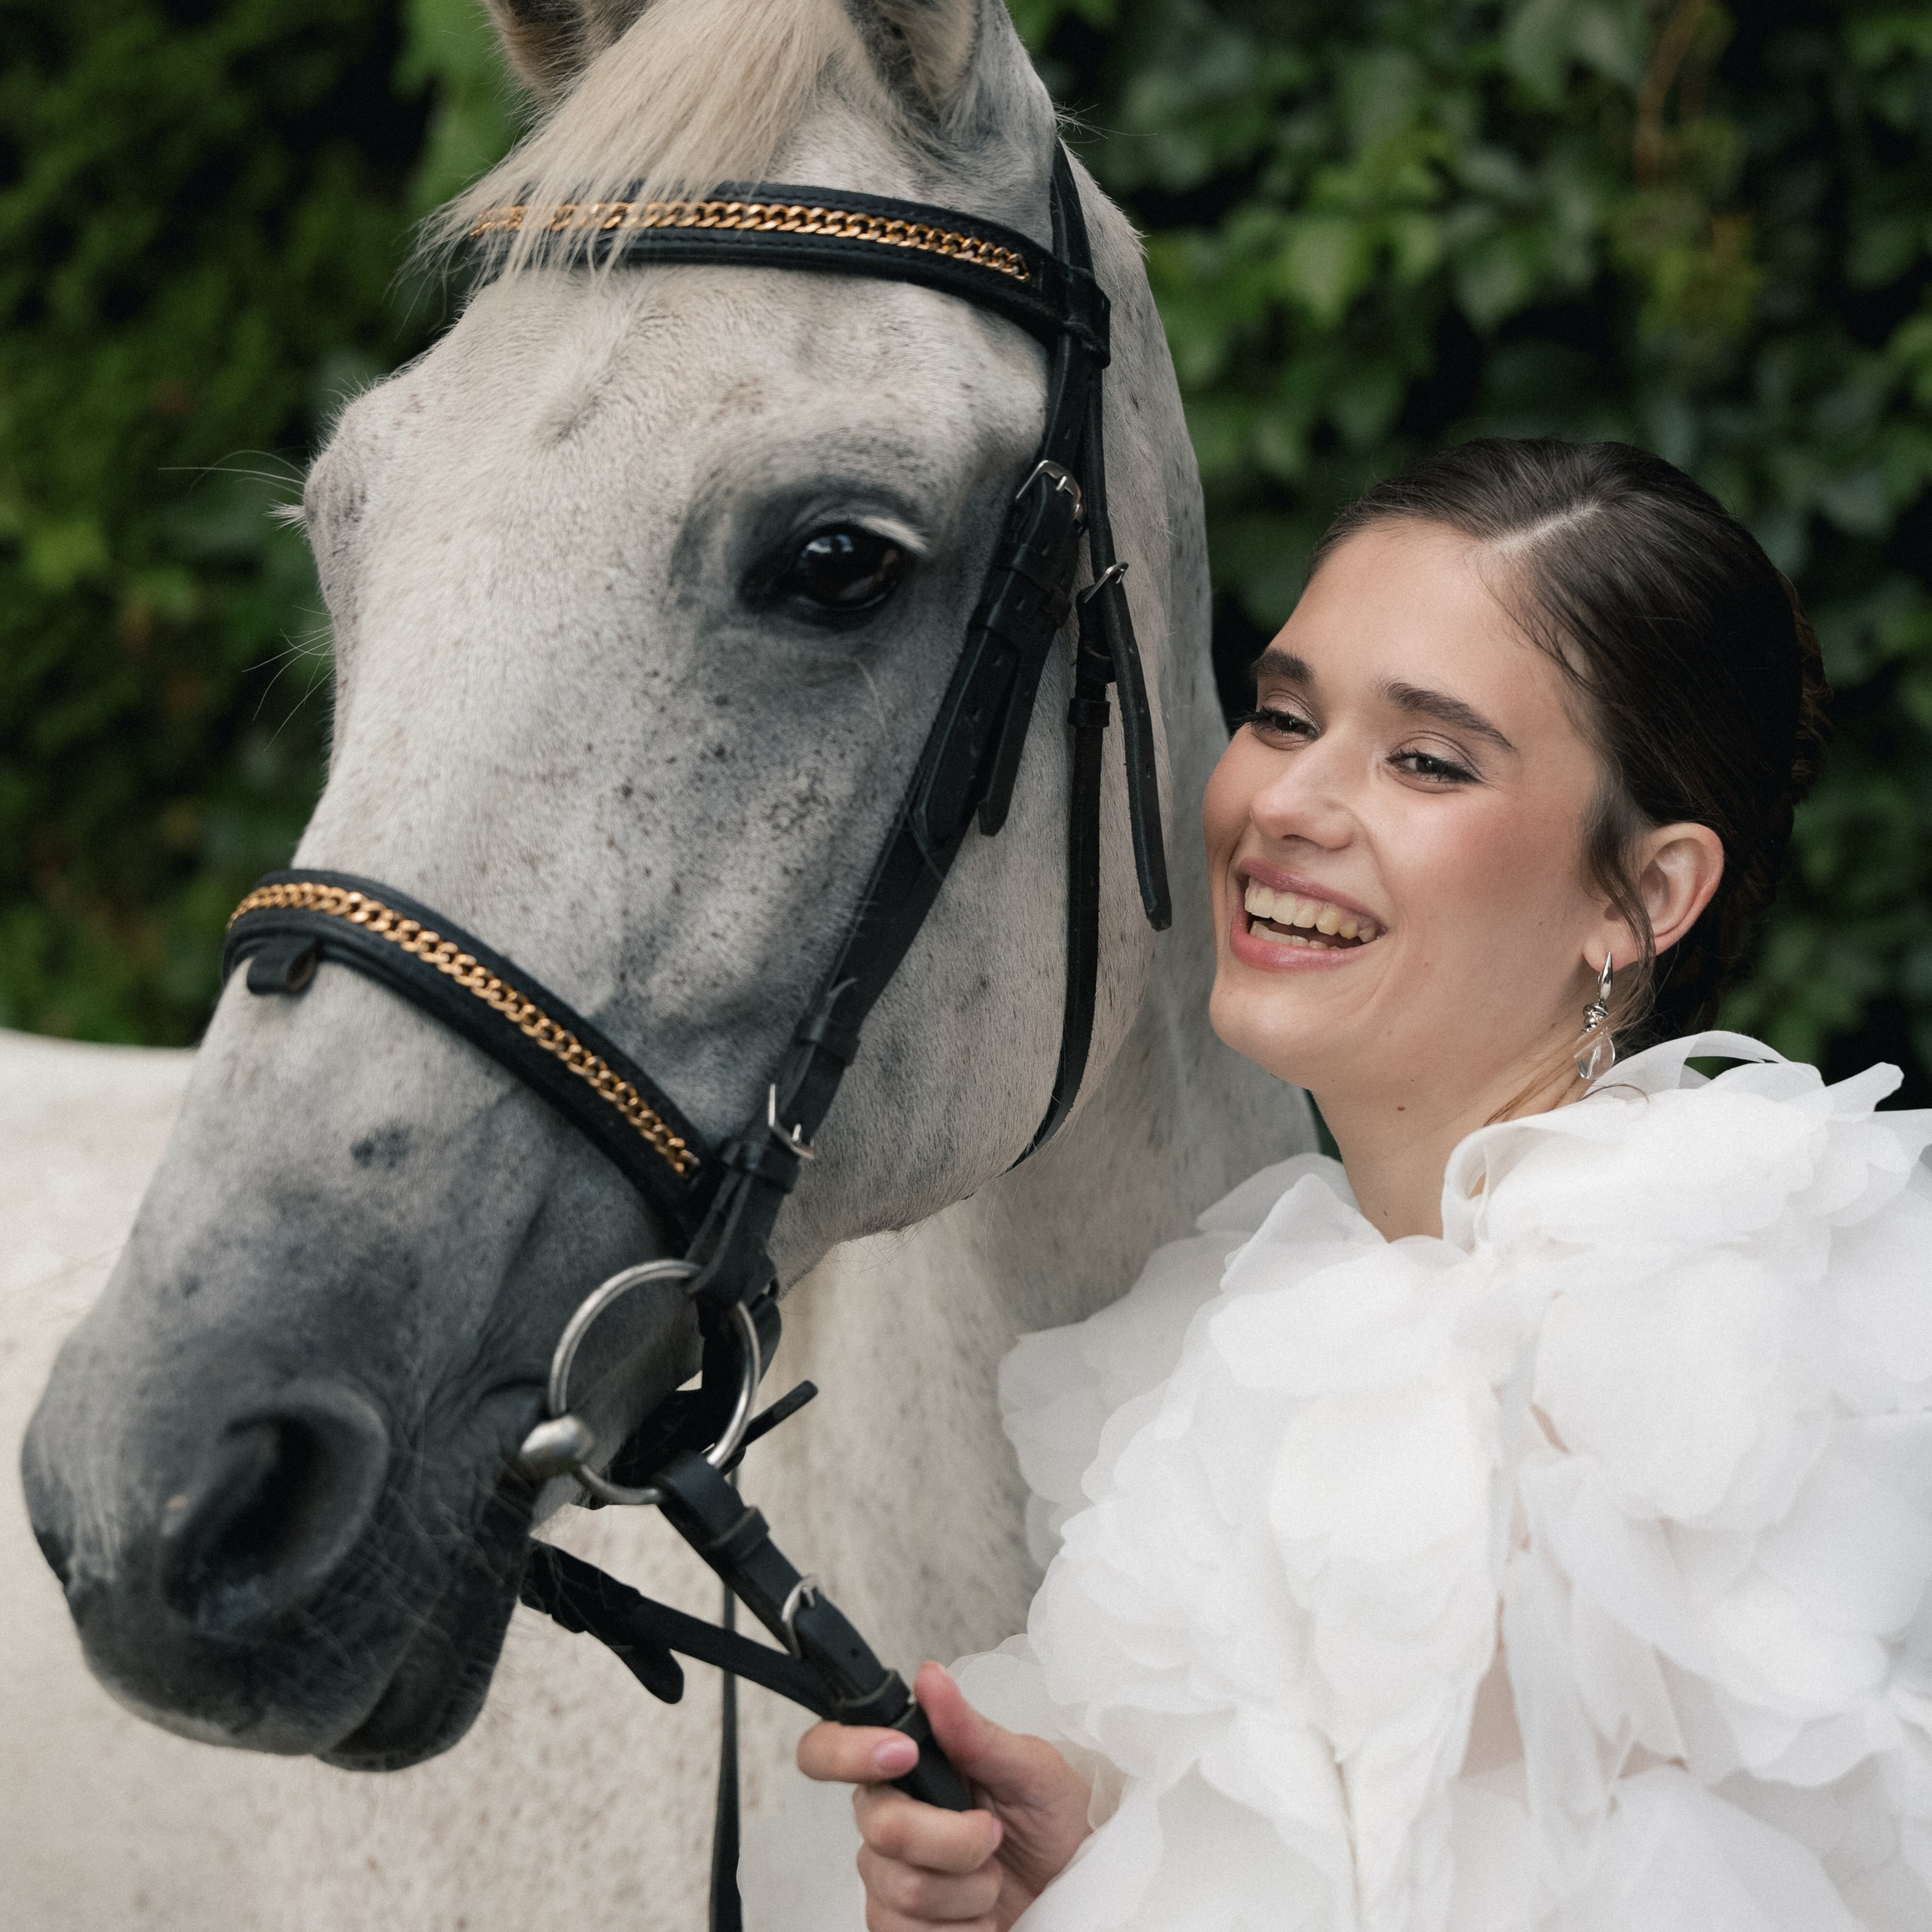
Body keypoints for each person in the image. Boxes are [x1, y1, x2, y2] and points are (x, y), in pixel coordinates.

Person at [792, 438, 1932, 1930]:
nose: (1287, 801)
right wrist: (1095, 1858)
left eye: (1425, 758)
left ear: (1636, 895)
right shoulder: (1240, 1328)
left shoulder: (1706, 1366)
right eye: (1281, 714)